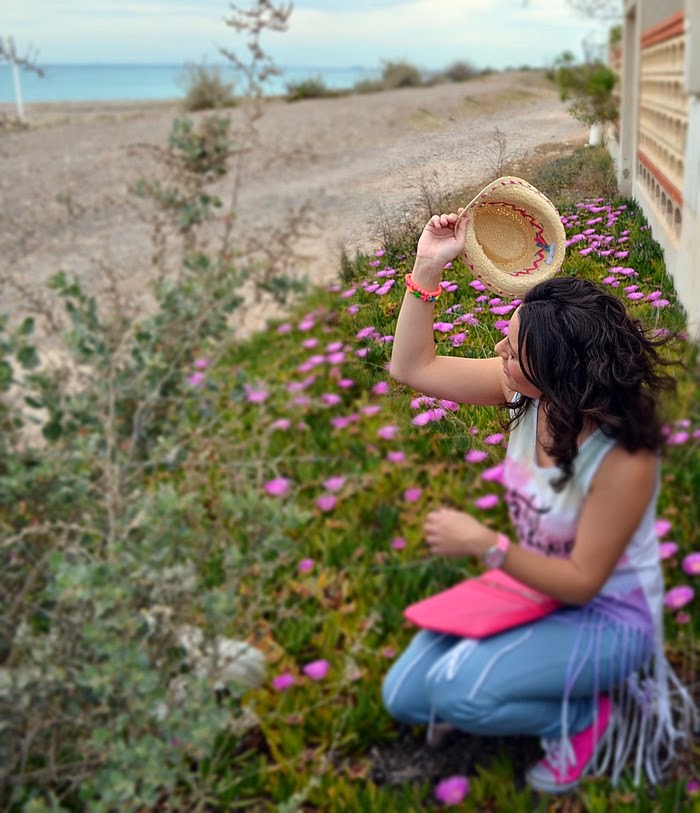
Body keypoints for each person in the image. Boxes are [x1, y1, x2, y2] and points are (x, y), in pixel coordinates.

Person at [382, 209, 697, 793]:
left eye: (510, 350)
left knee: (456, 693)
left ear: (560, 374)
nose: (497, 352)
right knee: (402, 694)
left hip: (605, 618)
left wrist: (486, 544)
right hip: (533, 587)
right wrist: (427, 268)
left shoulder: (623, 459)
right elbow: (412, 367)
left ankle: (583, 717)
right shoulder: (525, 393)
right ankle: (512, 677)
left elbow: (581, 583)